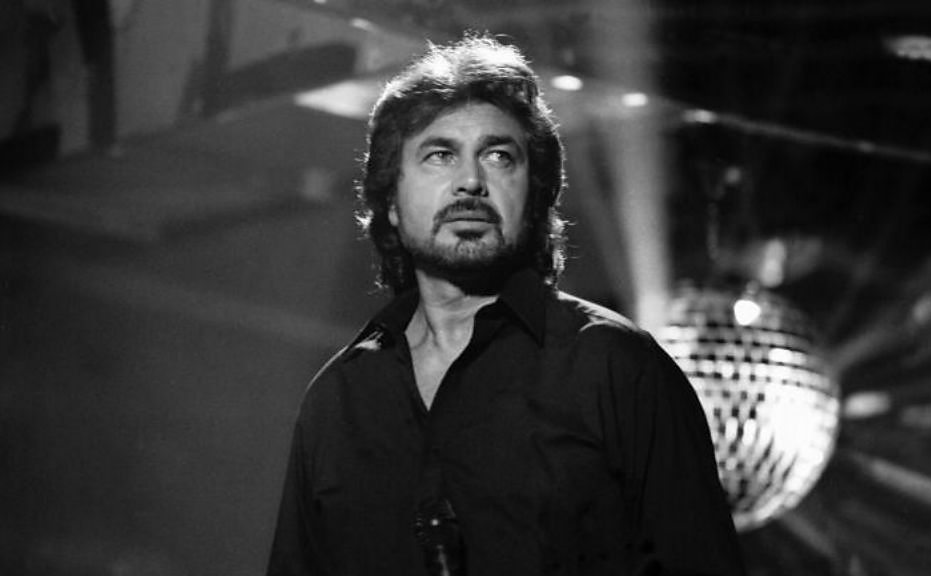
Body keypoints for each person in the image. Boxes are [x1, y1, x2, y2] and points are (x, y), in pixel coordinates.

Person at [267, 34, 746, 576]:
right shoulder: (338, 400)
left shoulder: (616, 368)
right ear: (391, 201)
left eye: (499, 157)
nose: (471, 181)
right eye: (440, 155)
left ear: (536, 198)